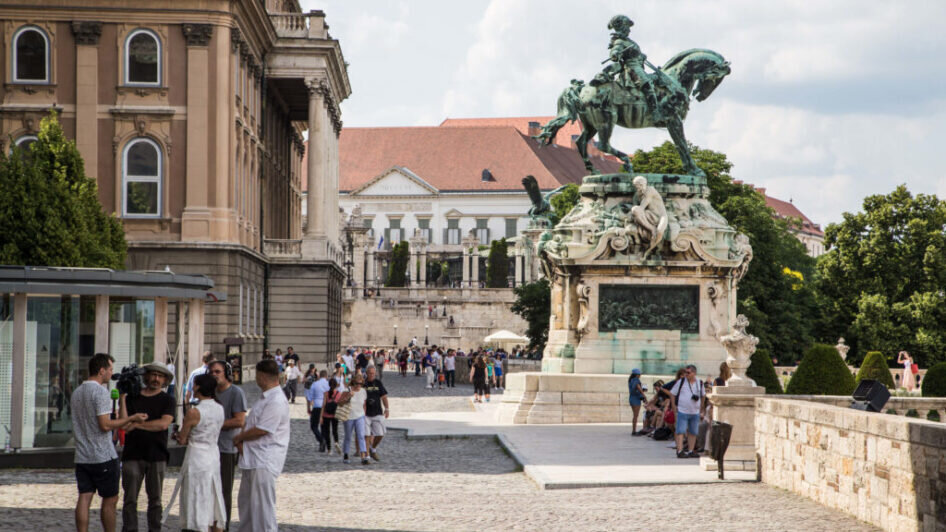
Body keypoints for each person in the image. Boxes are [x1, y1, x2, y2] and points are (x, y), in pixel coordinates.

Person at [72, 353, 148, 532]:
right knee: (110, 500)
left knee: (84, 497)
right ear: (101, 370)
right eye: (110, 369)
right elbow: (105, 425)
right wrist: (133, 418)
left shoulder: (77, 392)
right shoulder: (100, 392)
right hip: (103, 455)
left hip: (82, 456)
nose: (111, 373)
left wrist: (122, 398)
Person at [233, 360, 290, 532]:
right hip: (253, 458)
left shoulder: (276, 400)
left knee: (263, 511)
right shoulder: (266, 397)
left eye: (257, 375)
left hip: (264, 461)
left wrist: (239, 437)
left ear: (262, 377)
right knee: (247, 507)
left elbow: (263, 429)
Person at [119, 362, 176, 532]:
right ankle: (130, 529)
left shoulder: (168, 400)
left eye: (160, 376)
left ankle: (154, 529)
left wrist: (136, 424)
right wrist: (122, 398)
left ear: (165, 380)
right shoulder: (132, 398)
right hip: (132, 454)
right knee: (129, 499)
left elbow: (163, 424)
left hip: (157, 455)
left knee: (156, 500)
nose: (156, 379)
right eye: (153, 375)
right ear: (146, 376)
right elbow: (124, 425)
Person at [174, 373, 226, 532]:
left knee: (195, 495)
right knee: (212, 495)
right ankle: (212, 524)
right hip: (213, 454)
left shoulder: (194, 412)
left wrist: (177, 434)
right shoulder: (220, 408)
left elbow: (182, 439)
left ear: (197, 387)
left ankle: (196, 526)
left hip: (196, 456)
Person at [208, 360, 246, 531]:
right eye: (212, 372)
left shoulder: (235, 393)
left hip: (226, 449)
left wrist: (214, 423)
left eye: (218, 372)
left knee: (224, 492)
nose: (214, 375)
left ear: (226, 373)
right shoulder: (209, 392)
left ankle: (224, 526)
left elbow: (239, 420)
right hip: (208, 448)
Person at [669, 365, 706, 458]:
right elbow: (672, 393)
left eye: (688, 372)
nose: (686, 374)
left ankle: (690, 450)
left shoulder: (699, 383)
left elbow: (703, 395)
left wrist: (701, 408)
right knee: (680, 431)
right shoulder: (681, 382)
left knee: (693, 432)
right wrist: (674, 406)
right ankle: (680, 450)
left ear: (694, 373)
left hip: (695, 411)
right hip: (682, 410)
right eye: (685, 372)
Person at [339, 372, 369, 465]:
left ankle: (363, 455)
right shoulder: (347, 390)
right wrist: (348, 396)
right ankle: (346, 454)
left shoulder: (363, 391)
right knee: (348, 436)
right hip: (349, 417)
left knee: (361, 435)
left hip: (360, 416)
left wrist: (364, 414)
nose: (358, 385)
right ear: (353, 382)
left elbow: (364, 404)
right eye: (357, 383)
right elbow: (340, 403)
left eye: (360, 383)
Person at [363, 366, 389, 461]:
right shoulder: (363, 383)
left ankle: (372, 449)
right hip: (365, 413)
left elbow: (384, 396)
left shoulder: (378, 383)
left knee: (380, 434)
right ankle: (367, 456)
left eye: (373, 373)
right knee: (366, 435)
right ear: (366, 373)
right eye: (370, 373)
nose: (372, 375)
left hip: (377, 412)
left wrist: (387, 409)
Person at [306, 370, 330, 451]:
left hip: (317, 406)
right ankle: (322, 445)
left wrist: (308, 408)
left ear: (319, 376)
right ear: (326, 376)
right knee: (323, 427)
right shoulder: (328, 384)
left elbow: (309, 398)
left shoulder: (315, 384)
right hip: (326, 407)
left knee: (314, 426)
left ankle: (321, 440)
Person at [319, 378, 342, 454]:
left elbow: (323, 405)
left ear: (328, 385)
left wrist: (321, 416)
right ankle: (336, 442)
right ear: (336, 385)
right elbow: (340, 405)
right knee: (335, 431)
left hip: (326, 415)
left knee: (327, 432)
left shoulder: (325, 393)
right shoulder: (338, 394)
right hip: (335, 415)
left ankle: (329, 450)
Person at [627, 368, 647, 436]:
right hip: (636, 399)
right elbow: (638, 388)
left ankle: (634, 430)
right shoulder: (636, 380)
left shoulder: (631, 380)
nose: (640, 375)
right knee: (636, 415)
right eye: (639, 374)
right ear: (637, 374)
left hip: (631, 398)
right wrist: (644, 395)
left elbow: (635, 389)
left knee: (635, 415)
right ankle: (634, 431)